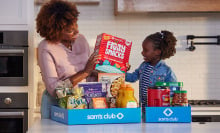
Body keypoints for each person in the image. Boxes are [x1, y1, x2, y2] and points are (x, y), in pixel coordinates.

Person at [36, 0, 98, 119]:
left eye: (76, 25)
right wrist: (84, 72)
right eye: (70, 30)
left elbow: (90, 73)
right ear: (55, 32)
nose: (77, 31)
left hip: (83, 104)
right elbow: (55, 90)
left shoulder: (81, 39)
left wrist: (110, 67)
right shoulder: (46, 48)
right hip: (58, 108)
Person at [125, 30, 177, 116]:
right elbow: (132, 77)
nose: (142, 52)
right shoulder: (143, 66)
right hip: (143, 110)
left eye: (145, 50)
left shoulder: (166, 71)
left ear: (157, 52)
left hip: (159, 111)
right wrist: (121, 70)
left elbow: (174, 90)